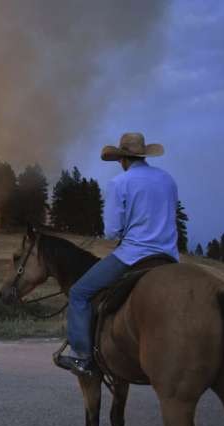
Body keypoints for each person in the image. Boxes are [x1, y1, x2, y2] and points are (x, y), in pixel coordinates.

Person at [55, 132, 178, 377]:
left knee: (79, 293)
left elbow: (112, 230)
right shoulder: (167, 179)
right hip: (168, 257)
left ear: (122, 159)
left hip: (134, 255)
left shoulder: (120, 183)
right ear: (143, 155)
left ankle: (82, 357)